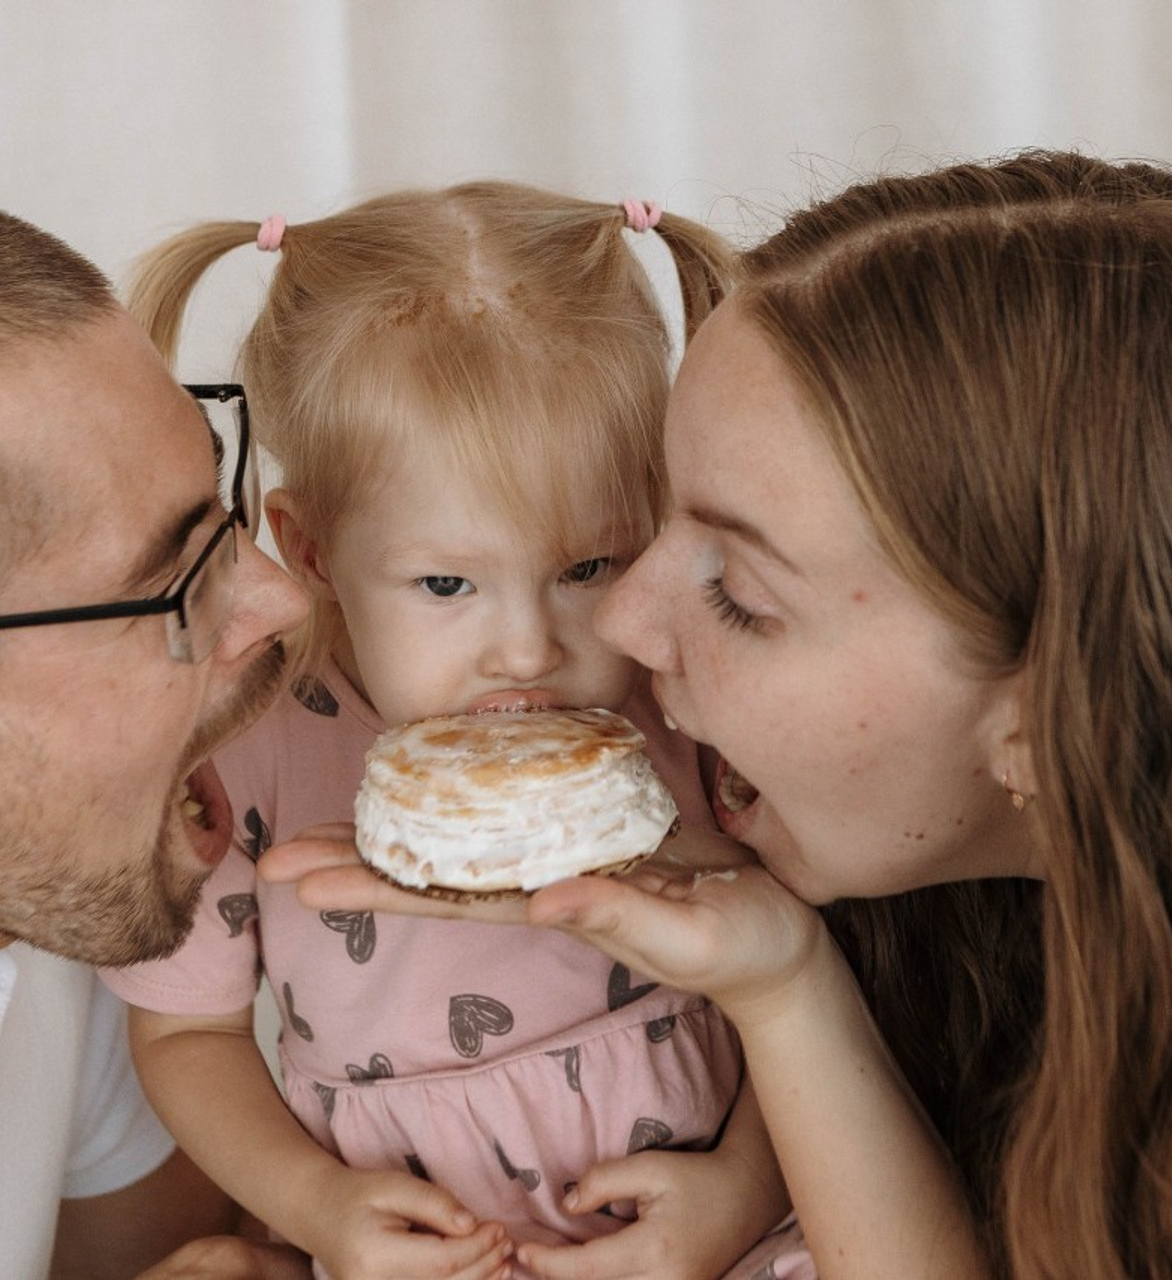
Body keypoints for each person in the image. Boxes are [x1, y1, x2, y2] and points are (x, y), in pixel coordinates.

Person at [262, 148, 1172, 1279]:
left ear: (1043, 721)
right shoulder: (946, 951)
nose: (620, 627)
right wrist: (786, 984)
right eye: (659, 532)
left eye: (738, 594)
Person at [101, 182, 814, 1280]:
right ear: (311, 548)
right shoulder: (248, 748)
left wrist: (746, 1186)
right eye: (446, 584)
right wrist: (318, 1206)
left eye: (589, 565)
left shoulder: (685, 698)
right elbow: (186, 1034)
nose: (526, 651)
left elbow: (804, 983)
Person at [0, 183, 314, 1278]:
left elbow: (176, 1254)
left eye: (222, 510)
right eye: (173, 583)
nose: (281, 600)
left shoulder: (43, 922)